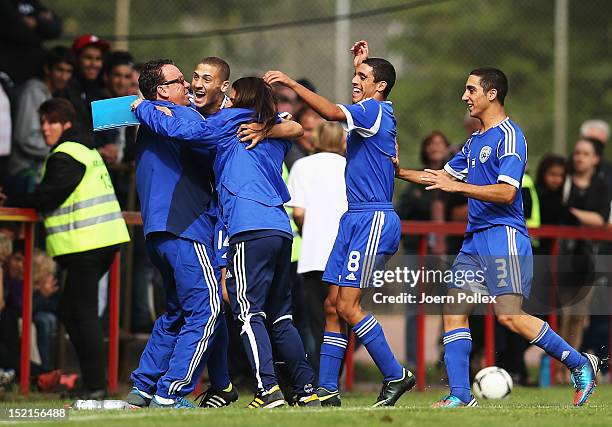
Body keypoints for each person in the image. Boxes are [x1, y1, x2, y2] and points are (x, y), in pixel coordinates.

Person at [394, 67, 603, 407]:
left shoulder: (510, 136)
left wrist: (457, 186)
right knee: (454, 308)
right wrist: (399, 170)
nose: (465, 96)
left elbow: (507, 193)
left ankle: (579, 364)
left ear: (492, 94)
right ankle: (460, 396)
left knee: (509, 316)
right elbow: (439, 176)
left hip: (503, 235)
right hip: (475, 238)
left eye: (470, 89)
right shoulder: (474, 140)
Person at [132, 76, 318, 408]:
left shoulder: (230, 121)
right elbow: (295, 128)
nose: (195, 84)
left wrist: (143, 107)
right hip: (280, 226)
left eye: (228, 94)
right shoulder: (268, 127)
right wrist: (270, 127)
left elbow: (190, 132)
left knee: (245, 313)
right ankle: (306, 390)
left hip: (248, 227)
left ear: (236, 98)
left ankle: (268, 390)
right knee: (280, 318)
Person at [264, 40, 418, 407]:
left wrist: (292, 85)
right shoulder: (372, 110)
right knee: (333, 305)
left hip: (373, 218)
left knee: (348, 307)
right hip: (353, 218)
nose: (355, 80)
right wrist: (362, 64)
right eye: (355, 75)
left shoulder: (374, 109)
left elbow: (333, 113)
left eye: (362, 77)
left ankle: (397, 375)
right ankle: (328, 389)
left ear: (380, 86)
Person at [124, 59, 233, 409]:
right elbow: (207, 136)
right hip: (186, 228)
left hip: (157, 234)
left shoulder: (147, 122)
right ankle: (171, 392)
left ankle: (142, 388)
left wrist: (142, 107)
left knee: (177, 312)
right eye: (180, 80)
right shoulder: (178, 116)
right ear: (162, 91)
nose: (188, 86)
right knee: (208, 309)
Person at [23, 98, 129, 398]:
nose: (45, 128)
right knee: (72, 310)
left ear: (65, 124)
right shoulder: (84, 148)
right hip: (99, 241)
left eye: (51, 122)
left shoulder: (66, 153)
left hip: (88, 243)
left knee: (81, 313)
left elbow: (48, 196)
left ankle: (96, 386)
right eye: (42, 122)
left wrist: (18, 196)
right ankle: (92, 383)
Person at [286, 121, 347, 372]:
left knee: (316, 319)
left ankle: (320, 374)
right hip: (345, 252)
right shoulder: (350, 167)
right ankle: (335, 374)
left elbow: (298, 212)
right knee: (344, 313)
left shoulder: (302, 166)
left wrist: (307, 232)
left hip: (312, 253)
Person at [557, 138, 610, 366]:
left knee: (578, 315)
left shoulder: (602, 187)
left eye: (586, 154)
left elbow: (600, 220)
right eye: (577, 152)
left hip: (588, 258)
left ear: (596, 159)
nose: (580, 157)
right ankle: (556, 364)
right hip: (560, 257)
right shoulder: (563, 182)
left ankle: (570, 365)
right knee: (559, 313)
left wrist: (571, 212)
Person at [6, 46, 74, 204]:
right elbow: (25, 137)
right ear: (47, 69)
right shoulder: (33, 91)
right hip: (23, 174)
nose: (63, 77)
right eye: (59, 70)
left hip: (35, 174)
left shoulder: (47, 94)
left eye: (68, 71)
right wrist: (56, 152)